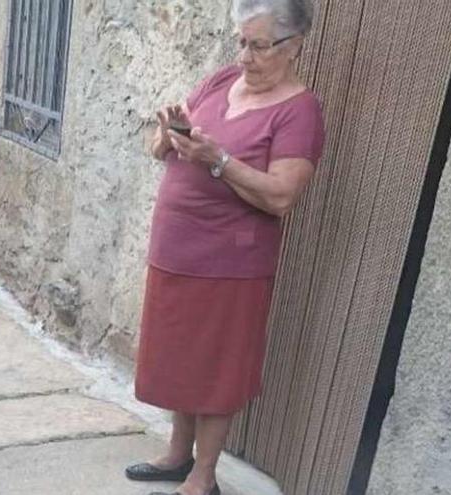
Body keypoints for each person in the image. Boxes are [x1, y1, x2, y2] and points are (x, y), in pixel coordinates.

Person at [125, 1, 325, 494]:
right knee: (179, 356)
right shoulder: (218, 82)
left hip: (231, 262)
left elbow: (281, 195)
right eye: (241, 42)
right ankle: (177, 454)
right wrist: (170, 134)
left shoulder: (299, 111)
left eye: (258, 45)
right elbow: (161, 147)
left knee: (216, 366)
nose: (245, 57)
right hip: (176, 249)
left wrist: (218, 160)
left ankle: (204, 474)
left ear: (294, 46)